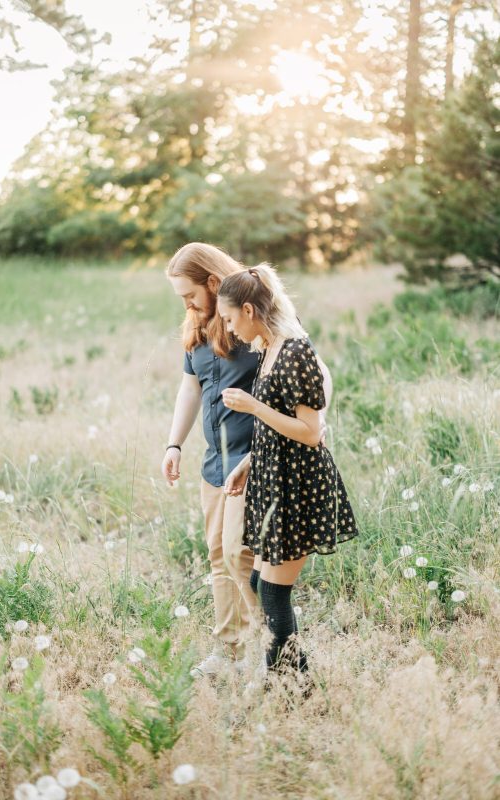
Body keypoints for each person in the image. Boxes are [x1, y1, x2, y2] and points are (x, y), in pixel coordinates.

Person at [162, 243, 333, 677]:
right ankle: (230, 651)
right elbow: (191, 386)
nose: (187, 304)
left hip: (257, 457)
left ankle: (273, 649)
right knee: (219, 554)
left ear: (213, 283)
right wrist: (174, 444)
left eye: (190, 294)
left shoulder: (253, 317)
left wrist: (296, 432)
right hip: (216, 462)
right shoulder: (199, 325)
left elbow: (315, 379)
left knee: (243, 556)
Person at [217, 263, 358, 692]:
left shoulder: (295, 349)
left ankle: (292, 691)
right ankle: (295, 682)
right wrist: (247, 462)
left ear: (248, 309)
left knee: (275, 595)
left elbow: (311, 433)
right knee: (261, 582)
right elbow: (274, 428)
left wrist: (252, 406)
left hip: (299, 486)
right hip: (272, 478)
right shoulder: (269, 347)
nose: (228, 328)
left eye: (227, 319)